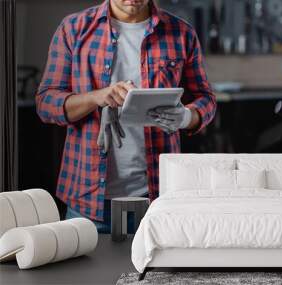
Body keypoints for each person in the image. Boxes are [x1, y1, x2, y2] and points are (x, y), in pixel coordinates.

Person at [35, 0, 216, 232]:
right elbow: (46, 103)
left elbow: (206, 99)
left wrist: (186, 117)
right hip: (87, 203)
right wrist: (95, 98)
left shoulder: (181, 33)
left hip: (158, 201)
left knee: (153, 270)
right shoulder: (74, 28)